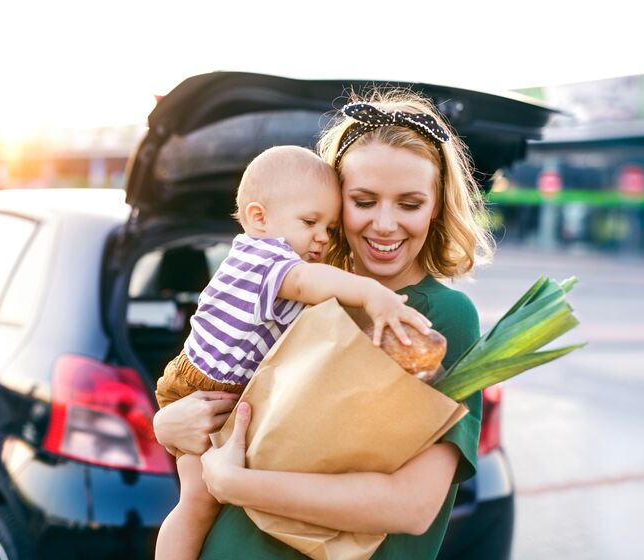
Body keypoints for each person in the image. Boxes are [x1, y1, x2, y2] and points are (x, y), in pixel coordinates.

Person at [152, 89, 496, 559]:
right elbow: (237, 402)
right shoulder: (306, 297)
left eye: (410, 204)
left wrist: (237, 483)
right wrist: (167, 425)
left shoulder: (439, 317)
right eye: (364, 200)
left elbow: (413, 506)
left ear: (436, 207)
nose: (385, 224)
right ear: (336, 204)